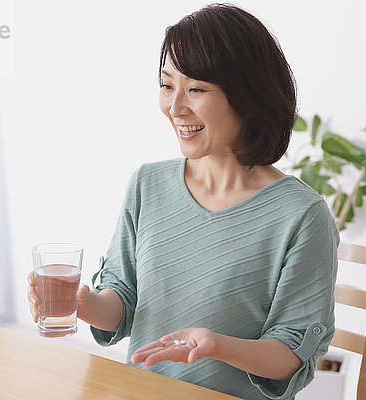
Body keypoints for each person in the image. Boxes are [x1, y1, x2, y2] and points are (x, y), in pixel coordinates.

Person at [27, 4, 339, 399]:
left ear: (248, 95)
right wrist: (84, 304)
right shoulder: (147, 183)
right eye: (167, 85)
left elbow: (292, 355)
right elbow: (124, 300)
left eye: (196, 89)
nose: (175, 108)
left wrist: (217, 345)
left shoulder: (301, 215)